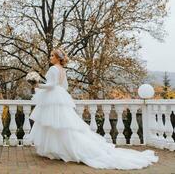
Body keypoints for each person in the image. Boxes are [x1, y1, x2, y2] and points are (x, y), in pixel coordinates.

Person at [28, 49, 158, 170]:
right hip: (60, 97)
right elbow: (65, 86)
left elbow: (51, 85)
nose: (50, 57)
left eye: (52, 56)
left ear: (57, 58)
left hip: (53, 98)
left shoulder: (53, 69)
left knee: (54, 124)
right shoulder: (62, 70)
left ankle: (56, 150)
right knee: (61, 125)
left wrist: (38, 84)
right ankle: (57, 150)